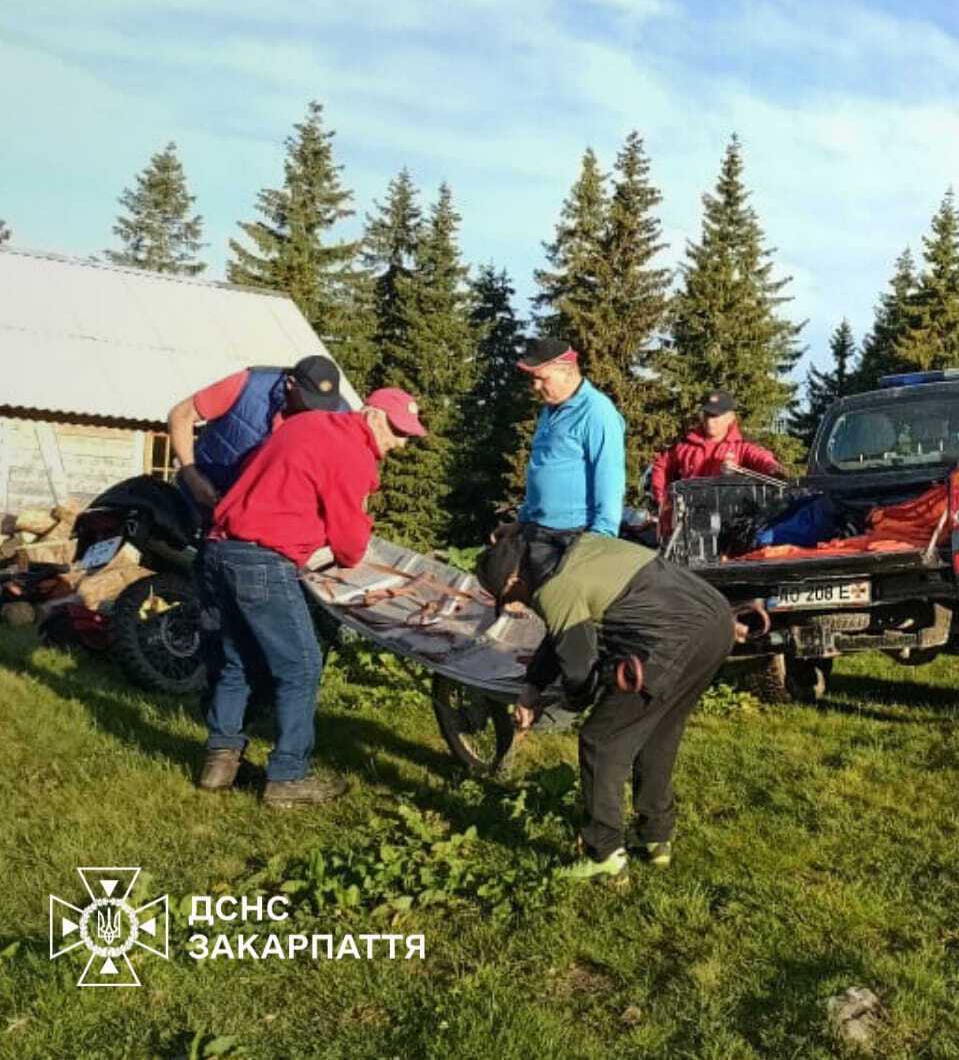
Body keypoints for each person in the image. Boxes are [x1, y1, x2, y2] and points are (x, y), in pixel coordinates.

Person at [196, 389, 427, 805]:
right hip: (262, 560)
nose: (401, 442)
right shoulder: (354, 453)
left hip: (219, 550)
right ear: (372, 415)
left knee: (239, 659)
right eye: (397, 430)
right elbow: (350, 543)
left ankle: (220, 762)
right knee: (301, 665)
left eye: (408, 434)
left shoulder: (307, 422)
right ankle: (287, 776)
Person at [477, 527, 738, 880]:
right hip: (716, 621)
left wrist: (564, 705)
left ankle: (604, 854)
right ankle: (654, 837)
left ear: (513, 579)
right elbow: (563, 635)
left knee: (601, 740)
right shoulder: (574, 549)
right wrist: (533, 688)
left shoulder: (554, 586)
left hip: (668, 639)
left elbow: (579, 665)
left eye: (508, 597)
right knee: (659, 730)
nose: (514, 605)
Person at [166, 354, 348, 515]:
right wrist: (192, 475)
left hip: (260, 523)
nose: (316, 412)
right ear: (291, 384)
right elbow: (181, 415)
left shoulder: (341, 417)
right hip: (201, 497)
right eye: (310, 403)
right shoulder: (248, 385)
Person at [514, 337, 627, 586]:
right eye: (533, 378)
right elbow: (543, 466)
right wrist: (521, 520)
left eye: (543, 378)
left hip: (572, 538)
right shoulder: (550, 409)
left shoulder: (597, 412)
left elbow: (610, 478)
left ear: (566, 371)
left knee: (562, 612)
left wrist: (600, 540)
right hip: (538, 531)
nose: (535, 386)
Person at [647, 389, 785, 536]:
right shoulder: (685, 444)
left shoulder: (743, 445)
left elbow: (762, 460)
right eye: (706, 415)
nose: (709, 421)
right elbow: (661, 465)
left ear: (730, 417)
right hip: (686, 529)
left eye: (715, 416)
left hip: (727, 529)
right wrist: (663, 500)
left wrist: (773, 469)